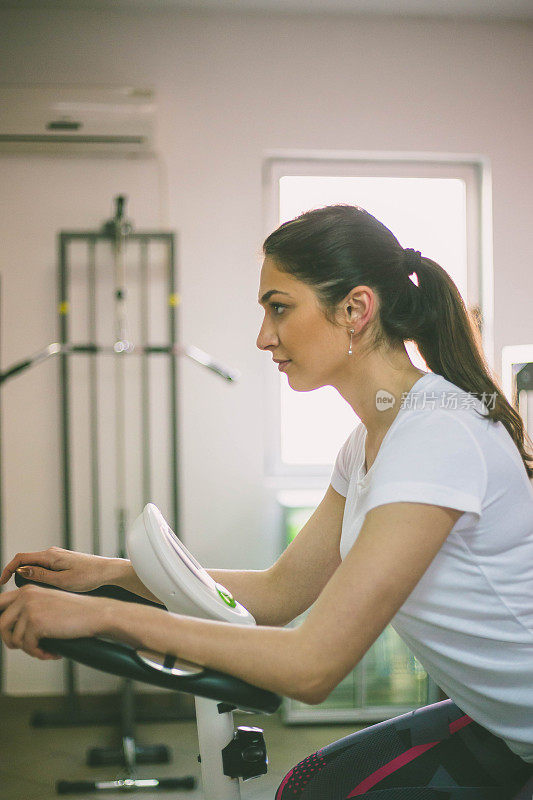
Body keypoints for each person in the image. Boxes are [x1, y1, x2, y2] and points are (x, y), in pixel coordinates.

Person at [1, 204, 532, 798]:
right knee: (307, 786)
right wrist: (112, 577)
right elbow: (278, 594)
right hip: (502, 723)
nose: (263, 336)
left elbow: (312, 666)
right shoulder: (368, 442)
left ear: (356, 309)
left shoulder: (437, 433)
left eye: (279, 307)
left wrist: (106, 617)